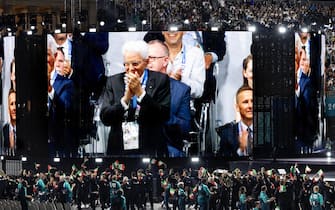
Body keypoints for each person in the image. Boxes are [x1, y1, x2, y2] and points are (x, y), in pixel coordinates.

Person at [100, 40, 170, 157]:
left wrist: (140, 93)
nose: (130, 69)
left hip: (150, 147)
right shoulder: (113, 81)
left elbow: (163, 115)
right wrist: (125, 100)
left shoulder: (160, 80)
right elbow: (105, 118)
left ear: (146, 62)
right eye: (126, 64)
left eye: (135, 64)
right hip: (119, 148)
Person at [147, 39, 191, 157]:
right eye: (145, 58)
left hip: (168, 147)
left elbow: (185, 128)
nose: (147, 62)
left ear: (165, 60)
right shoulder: (134, 87)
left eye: (152, 58)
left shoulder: (181, 90)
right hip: (138, 147)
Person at [48, 46, 76, 157]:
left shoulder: (67, 83)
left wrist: (51, 90)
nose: (59, 64)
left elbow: (66, 108)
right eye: (57, 60)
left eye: (61, 61)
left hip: (58, 138)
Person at [163, 31, 205, 99]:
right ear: (162, 31)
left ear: (184, 31)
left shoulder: (196, 53)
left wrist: (182, 80)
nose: (172, 31)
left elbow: (199, 91)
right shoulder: (152, 51)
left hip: (185, 105)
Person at [217, 85, 253, 157]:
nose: (250, 106)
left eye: (253, 101)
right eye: (245, 102)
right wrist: (241, 149)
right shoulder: (226, 133)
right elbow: (223, 161)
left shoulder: (268, 131)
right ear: (237, 107)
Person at [295, 46, 317, 153]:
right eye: (303, 59)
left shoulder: (308, 82)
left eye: (307, 60)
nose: (305, 63)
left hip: (304, 132)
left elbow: (311, 108)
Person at [3, 89, 22, 156]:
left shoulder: (25, 130)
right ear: (8, 108)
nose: (14, 108)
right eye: (11, 104)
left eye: (16, 104)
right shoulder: (3, 130)